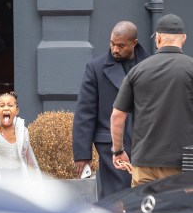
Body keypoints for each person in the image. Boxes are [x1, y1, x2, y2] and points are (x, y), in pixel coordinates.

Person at [111, 13, 193, 187]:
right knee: (177, 212)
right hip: (183, 164)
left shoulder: (138, 70)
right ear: (183, 39)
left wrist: (118, 151)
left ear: (158, 38)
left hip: (143, 163)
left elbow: (117, 115)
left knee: (143, 211)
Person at [72, 21, 150, 199]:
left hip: (146, 145)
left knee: (144, 199)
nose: (115, 49)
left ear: (134, 43)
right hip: (110, 148)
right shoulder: (96, 67)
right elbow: (85, 111)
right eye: (112, 44)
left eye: (121, 45)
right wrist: (82, 155)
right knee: (116, 199)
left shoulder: (151, 65)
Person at [0, 92, 41, 183]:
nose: (6, 108)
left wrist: (33, 185)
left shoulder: (22, 131)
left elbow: (29, 161)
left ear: (17, 110)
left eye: (10, 105)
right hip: (1, 181)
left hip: (19, 181)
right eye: (2, 105)